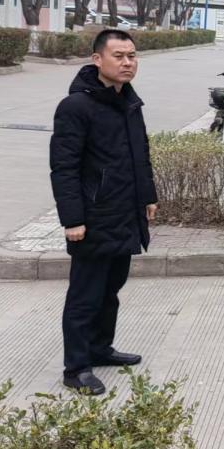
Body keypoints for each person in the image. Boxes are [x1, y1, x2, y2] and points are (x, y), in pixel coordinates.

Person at [50, 29, 158, 395]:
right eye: (119, 56)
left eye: (132, 56)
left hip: (124, 212)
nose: (128, 63)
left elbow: (140, 153)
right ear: (97, 59)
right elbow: (64, 167)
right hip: (93, 217)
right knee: (85, 295)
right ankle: (76, 367)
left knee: (111, 288)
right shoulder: (76, 107)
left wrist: (148, 196)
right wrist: (73, 219)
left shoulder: (129, 101)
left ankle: (100, 348)